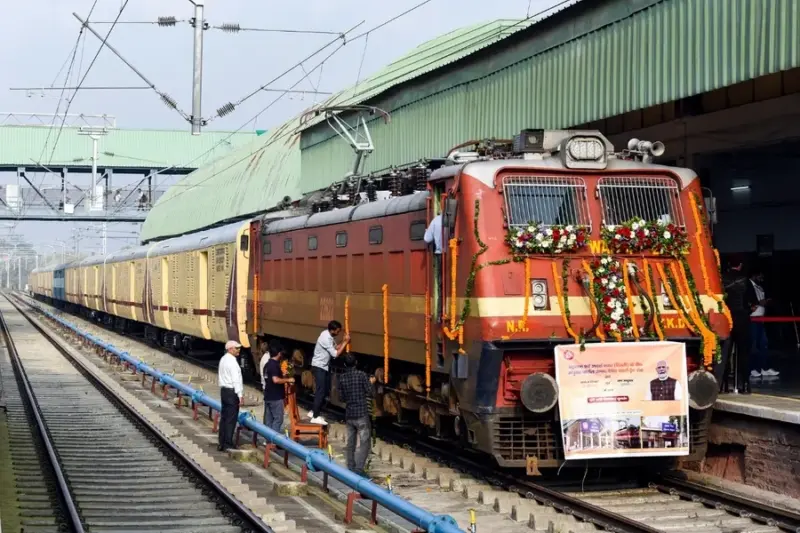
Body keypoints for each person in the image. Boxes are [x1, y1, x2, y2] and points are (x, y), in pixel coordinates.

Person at [337, 352, 375, 476]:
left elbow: (341, 398)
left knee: (351, 442)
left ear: (344, 364)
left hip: (349, 415)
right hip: (362, 414)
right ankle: (359, 469)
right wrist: (372, 382)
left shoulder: (342, 378)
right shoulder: (361, 375)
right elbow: (370, 392)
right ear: (356, 363)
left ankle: (351, 466)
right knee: (364, 442)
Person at [308, 320, 349, 425]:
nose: (338, 333)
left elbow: (335, 348)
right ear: (332, 330)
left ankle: (313, 411)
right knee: (321, 391)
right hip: (319, 367)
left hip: (323, 367)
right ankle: (315, 416)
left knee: (325, 390)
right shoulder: (325, 338)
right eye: (337, 331)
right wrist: (345, 342)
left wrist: (343, 342)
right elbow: (335, 354)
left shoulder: (329, 336)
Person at [722, 260, 753, 394]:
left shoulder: (721, 279)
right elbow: (753, 301)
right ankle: (745, 385)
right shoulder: (745, 280)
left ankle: (723, 385)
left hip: (726, 319)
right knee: (743, 353)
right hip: (742, 318)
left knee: (725, 353)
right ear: (740, 265)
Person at [747, 270, 779, 378]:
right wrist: (757, 303)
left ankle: (763, 368)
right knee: (753, 345)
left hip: (761, 318)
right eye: (760, 275)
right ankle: (752, 369)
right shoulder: (747, 285)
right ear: (754, 274)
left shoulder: (760, 287)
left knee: (764, 344)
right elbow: (746, 300)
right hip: (752, 318)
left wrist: (766, 302)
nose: (762, 277)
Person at [263, 340, 294, 433]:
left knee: (268, 420)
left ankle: (267, 440)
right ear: (279, 353)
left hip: (268, 395)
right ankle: (273, 441)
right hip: (275, 397)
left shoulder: (267, 364)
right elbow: (275, 380)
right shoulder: (274, 365)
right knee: (278, 419)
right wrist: (288, 380)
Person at [217, 340, 243, 451]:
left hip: (224, 391)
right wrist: (240, 395)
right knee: (231, 418)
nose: (238, 350)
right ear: (230, 349)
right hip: (232, 392)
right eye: (236, 348)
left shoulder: (223, 359)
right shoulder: (232, 362)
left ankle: (221, 442)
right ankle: (228, 443)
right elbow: (236, 380)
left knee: (224, 417)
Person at [424, 213, 443, 320]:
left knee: (440, 285)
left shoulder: (436, 220)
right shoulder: (456, 218)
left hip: (440, 255)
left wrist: (427, 231)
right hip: (453, 253)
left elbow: (427, 239)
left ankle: (439, 315)